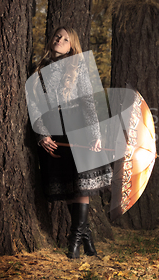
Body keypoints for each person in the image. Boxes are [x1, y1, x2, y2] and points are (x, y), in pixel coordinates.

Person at [27, 27, 112, 259]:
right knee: (67, 184)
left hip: (78, 127)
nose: (60, 40)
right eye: (58, 36)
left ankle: (74, 238)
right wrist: (41, 134)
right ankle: (86, 239)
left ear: (71, 45)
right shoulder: (38, 69)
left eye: (66, 39)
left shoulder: (77, 65)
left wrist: (95, 133)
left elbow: (88, 101)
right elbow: (33, 105)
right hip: (53, 130)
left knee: (80, 182)